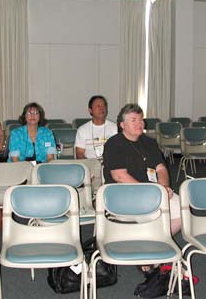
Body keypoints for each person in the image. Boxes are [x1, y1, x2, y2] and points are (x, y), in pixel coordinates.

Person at [103, 103, 181, 235]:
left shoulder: (149, 142)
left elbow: (161, 168)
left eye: (141, 119)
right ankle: (154, 241)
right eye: (134, 120)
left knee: (183, 210)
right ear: (122, 125)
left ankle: (157, 240)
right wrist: (149, 191)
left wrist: (163, 187)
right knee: (160, 214)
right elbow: (119, 176)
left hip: (152, 191)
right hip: (124, 193)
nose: (140, 123)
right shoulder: (114, 144)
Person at [75, 95, 118, 159]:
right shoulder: (82, 130)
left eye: (103, 106)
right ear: (90, 110)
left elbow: (119, 150)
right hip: (90, 165)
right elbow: (79, 153)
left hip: (111, 165)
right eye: (98, 106)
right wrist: (90, 166)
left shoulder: (115, 128)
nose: (101, 108)